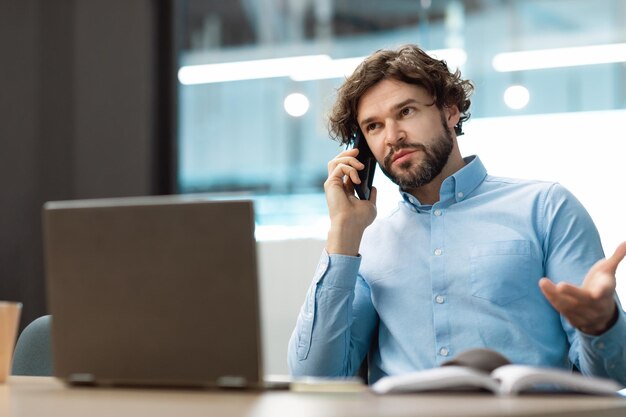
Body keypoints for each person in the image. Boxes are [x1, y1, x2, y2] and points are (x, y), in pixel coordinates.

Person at [287, 44, 626, 385]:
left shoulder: (546, 207)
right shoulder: (367, 244)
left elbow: (614, 376)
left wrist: (602, 325)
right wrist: (343, 231)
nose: (393, 137)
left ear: (450, 110)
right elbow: (315, 378)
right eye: (374, 126)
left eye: (405, 111)